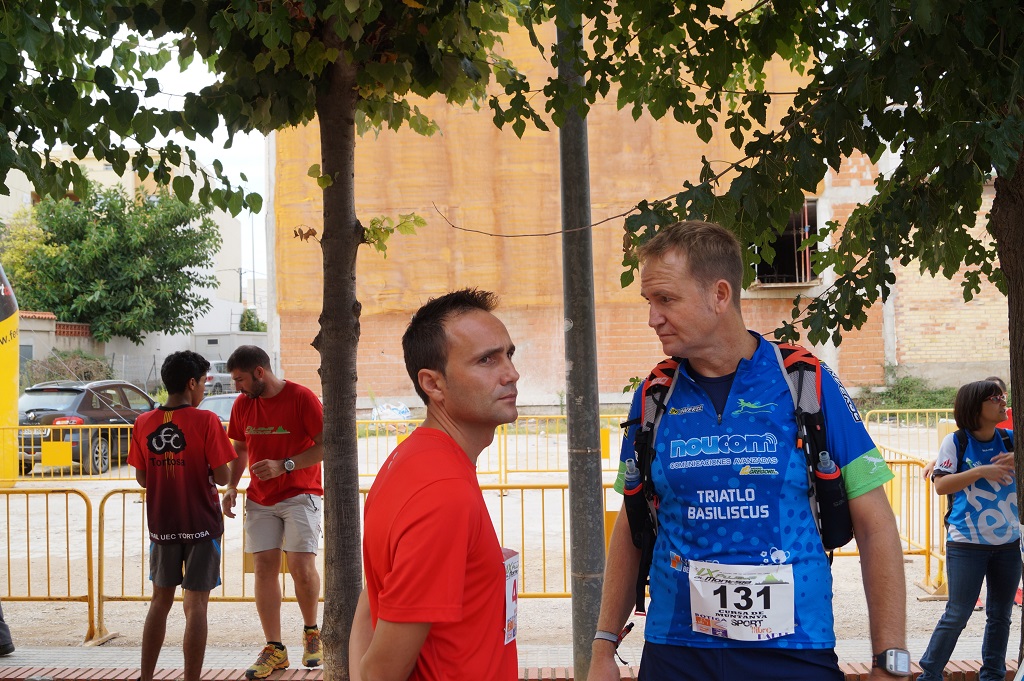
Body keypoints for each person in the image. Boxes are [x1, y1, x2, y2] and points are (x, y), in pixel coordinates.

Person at [589, 221, 908, 681]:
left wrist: (890, 660)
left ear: (720, 295)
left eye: (666, 299)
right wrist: (603, 645)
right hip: (676, 652)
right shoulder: (654, 395)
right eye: (649, 301)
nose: (652, 318)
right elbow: (632, 523)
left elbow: (875, 524)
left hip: (793, 651)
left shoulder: (806, 383)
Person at [349, 288, 520, 681]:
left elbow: (371, 603)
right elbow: (380, 671)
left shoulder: (409, 460)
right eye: (487, 359)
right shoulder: (443, 491)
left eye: (509, 354)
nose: (511, 373)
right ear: (433, 384)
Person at [127, 351, 237, 681]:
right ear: (191, 383)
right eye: (203, 383)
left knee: (159, 602)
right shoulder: (206, 421)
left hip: (162, 525)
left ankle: (146, 677)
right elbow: (223, 476)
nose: (204, 389)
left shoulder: (143, 422)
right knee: (197, 605)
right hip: (202, 525)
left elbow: (142, 478)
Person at [222, 346, 325, 680]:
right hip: (260, 498)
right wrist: (232, 486)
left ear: (259, 372)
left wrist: (286, 465)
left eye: (240, 379)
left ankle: (311, 632)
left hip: (301, 494)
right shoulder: (242, 404)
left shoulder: (301, 398)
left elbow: (326, 444)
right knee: (264, 568)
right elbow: (239, 448)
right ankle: (275, 648)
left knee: (301, 567)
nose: (236, 386)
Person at [918, 380, 1017, 681]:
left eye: (1003, 396)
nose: (1003, 402)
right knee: (957, 614)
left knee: (1000, 616)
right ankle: (930, 674)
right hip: (966, 542)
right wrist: (981, 471)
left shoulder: (1011, 440)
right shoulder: (956, 441)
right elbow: (941, 485)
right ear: (975, 407)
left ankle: (993, 675)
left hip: (1009, 542)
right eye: (995, 398)